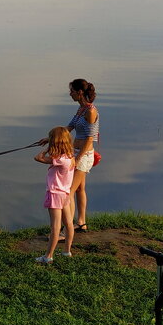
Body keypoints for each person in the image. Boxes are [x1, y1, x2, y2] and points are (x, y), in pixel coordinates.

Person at [33, 126, 76, 264]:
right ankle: (66, 251)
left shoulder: (59, 160)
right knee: (68, 223)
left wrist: (46, 148)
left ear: (55, 142)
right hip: (65, 194)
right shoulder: (70, 157)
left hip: (55, 194)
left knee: (55, 227)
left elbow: (38, 158)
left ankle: (48, 256)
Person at [66, 78, 99, 231]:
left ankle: (66, 230)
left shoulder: (91, 111)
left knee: (69, 191)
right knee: (79, 189)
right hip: (77, 152)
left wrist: (78, 158)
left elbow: (90, 138)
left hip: (83, 156)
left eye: (72, 91)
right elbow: (70, 127)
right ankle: (81, 222)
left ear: (80, 92)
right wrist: (51, 138)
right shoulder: (81, 109)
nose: (70, 94)